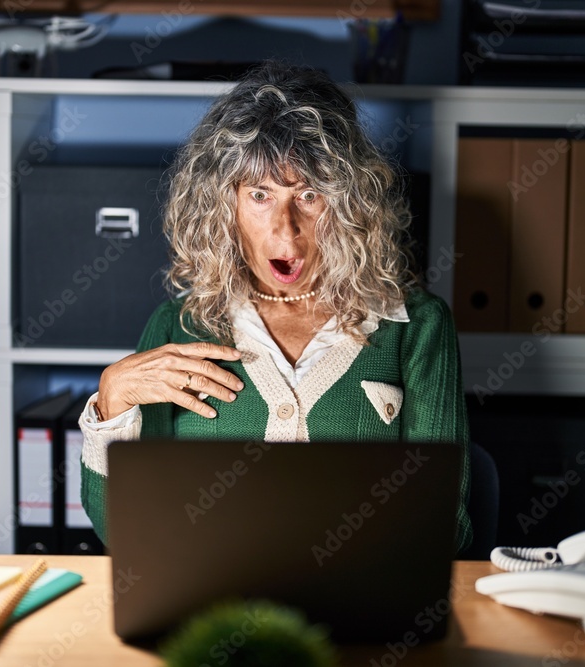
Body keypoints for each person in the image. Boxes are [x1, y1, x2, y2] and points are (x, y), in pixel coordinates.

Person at [78, 60, 472, 554]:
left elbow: (445, 529)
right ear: (225, 205)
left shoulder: (416, 326)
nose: (285, 230)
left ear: (347, 203)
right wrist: (111, 401)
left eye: (308, 195)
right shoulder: (176, 327)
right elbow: (123, 535)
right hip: (211, 609)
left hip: (356, 620)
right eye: (260, 194)